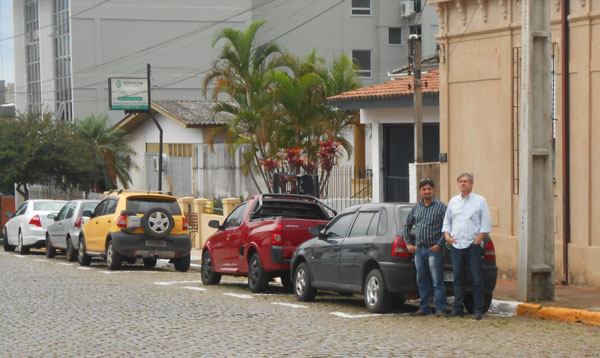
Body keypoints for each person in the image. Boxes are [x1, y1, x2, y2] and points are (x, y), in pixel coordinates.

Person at [442, 172, 491, 320]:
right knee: (458, 278)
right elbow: (447, 222)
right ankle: (457, 308)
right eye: (461, 181)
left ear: (471, 184)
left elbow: (486, 224)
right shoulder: (453, 202)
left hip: (472, 245)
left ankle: (478, 310)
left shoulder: (480, 201)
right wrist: (447, 237)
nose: (463, 184)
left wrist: (477, 241)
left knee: (476, 278)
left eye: (465, 181)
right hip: (457, 246)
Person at [403, 178, 447, 317]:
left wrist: (439, 245)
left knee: (437, 281)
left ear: (433, 190)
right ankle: (425, 308)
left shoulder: (441, 207)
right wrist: (408, 243)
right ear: (420, 192)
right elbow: (407, 226)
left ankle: (440, 309)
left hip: (434, 250)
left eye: (429, 189)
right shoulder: (416, 208)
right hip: (419, 250)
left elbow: (447, 228)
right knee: (422, 280)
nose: (427, 191)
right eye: (424, 189)